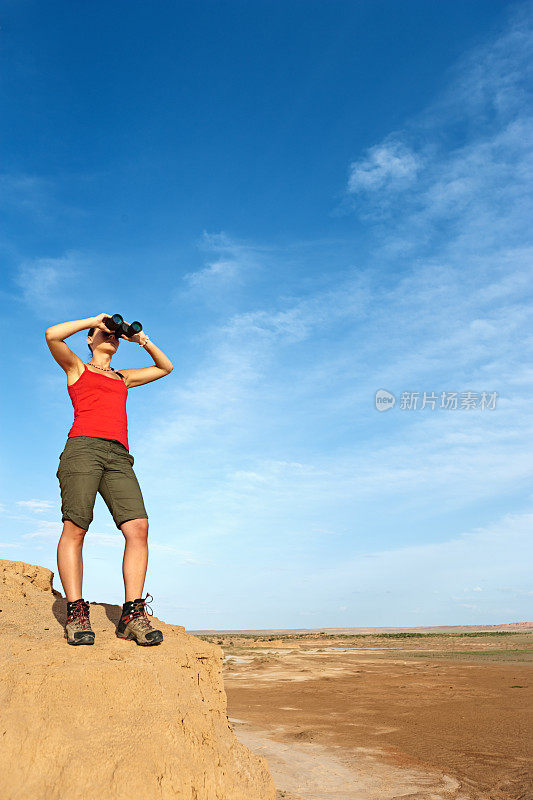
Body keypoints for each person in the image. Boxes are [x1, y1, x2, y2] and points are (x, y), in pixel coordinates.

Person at [45, 313, 173, 646]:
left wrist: (140, 340)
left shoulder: (122, 377)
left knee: (138, 527)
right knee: (76, 526)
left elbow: (165, 367)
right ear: (90, 339)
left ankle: (131, 615)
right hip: (82, 449)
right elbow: (52, 334)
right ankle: (76, 612)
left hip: (118, 455)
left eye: (114, 334)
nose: (111, 336)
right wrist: (97, 319)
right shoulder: (77, 367)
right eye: (104, 333)